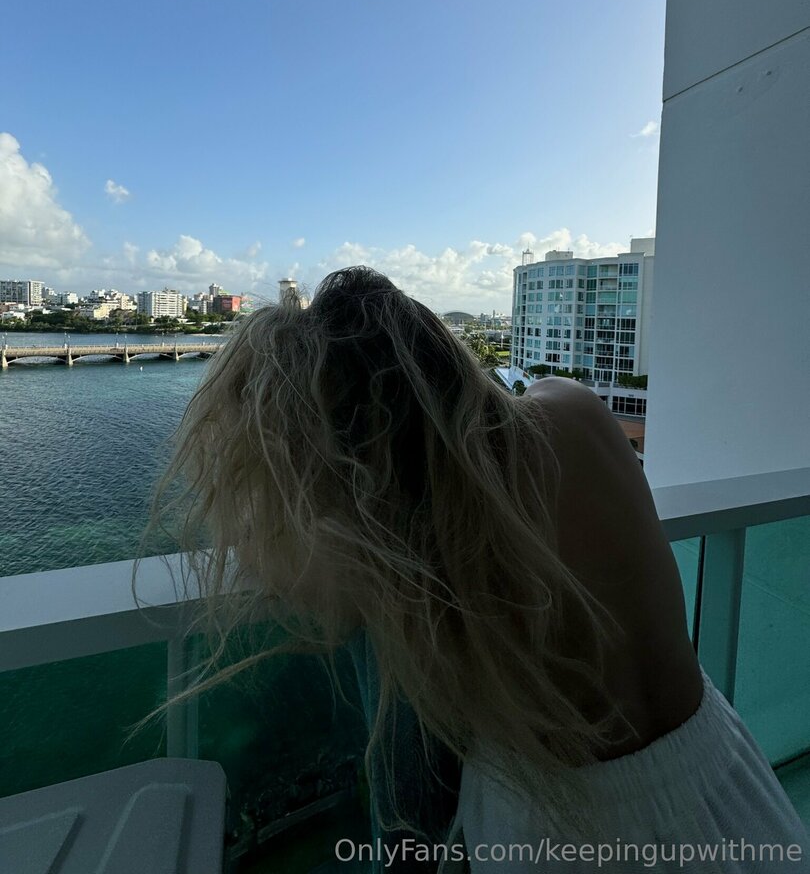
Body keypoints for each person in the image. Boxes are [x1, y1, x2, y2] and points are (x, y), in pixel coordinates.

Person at [149, 267, 809, 872]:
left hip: (563, 833)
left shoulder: (420, 551)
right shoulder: (574, 409)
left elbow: (296, 582)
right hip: (725, 777)